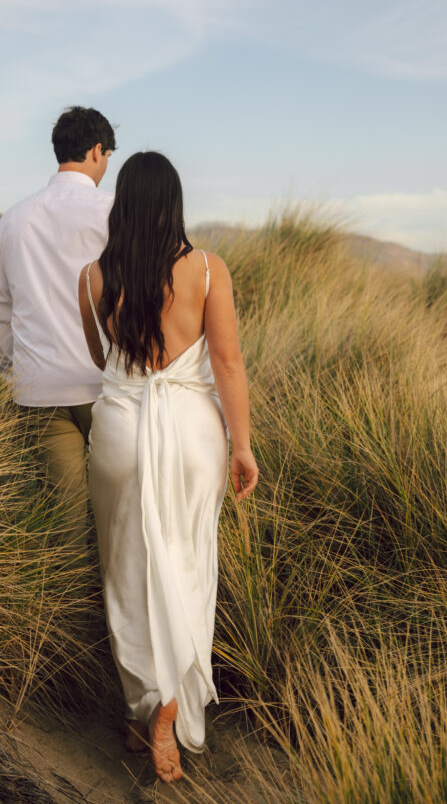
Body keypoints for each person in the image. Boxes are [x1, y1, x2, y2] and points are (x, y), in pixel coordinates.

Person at [78, 151, 258, 783]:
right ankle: (175, 704)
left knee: (126, 568)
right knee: (185, 561)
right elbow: (229, 365)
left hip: (122, 429)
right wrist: (242, 445)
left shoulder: (94, 277)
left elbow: (101, 359)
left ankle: (141, 708)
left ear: (122, 203)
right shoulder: (208, 270)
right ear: (175, 203)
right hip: (191, 434)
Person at [0, 106, 116, 543]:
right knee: (119, 509)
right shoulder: (113, 211)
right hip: (107, 385)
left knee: (64, 520)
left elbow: (0, 304)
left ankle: (68, 610)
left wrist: (13, 372)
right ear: (97, 150)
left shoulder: (14, 217)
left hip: (38, 387)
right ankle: (116, 607)